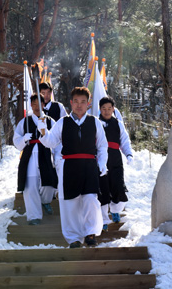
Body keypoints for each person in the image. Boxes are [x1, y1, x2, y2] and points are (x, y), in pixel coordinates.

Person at [38, 86, 108, 248]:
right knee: (70, 203)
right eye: (76, 101)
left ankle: (90, 232)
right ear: (71, 102)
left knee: (90, 199)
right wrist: (43, 131)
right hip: (69, 166)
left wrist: (102, 163)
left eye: (83, 102)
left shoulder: (94, 122)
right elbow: (50, 142)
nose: (79, 105)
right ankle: (73, 238)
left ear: (88, 104)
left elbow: (102, 146)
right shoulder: (63, 122)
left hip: (90, 165)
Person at [13, 93, 58, 225]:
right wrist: (23, 139)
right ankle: (34, 216)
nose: (37, 107)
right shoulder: (25, 122)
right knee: (30, 185)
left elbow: (56, 140)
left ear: (44, 104)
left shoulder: (50, 121)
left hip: (45, 154)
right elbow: (16, 141)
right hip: (30, 156)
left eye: (40, 104)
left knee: (49, 183)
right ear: (31, 105)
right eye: (34, 104)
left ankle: (45, 202)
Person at [98, 96, 133, 231]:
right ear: (100, 109)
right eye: (104, 109)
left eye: (109, 108)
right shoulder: (95, 123)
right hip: (101, 160)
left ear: (113, 109)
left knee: (118, 188)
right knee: (103, 191)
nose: (106, 111)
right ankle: (103, 220)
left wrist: (128, 154)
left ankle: (115, 210)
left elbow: (124, 140)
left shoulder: (118, 123)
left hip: (115, 159)